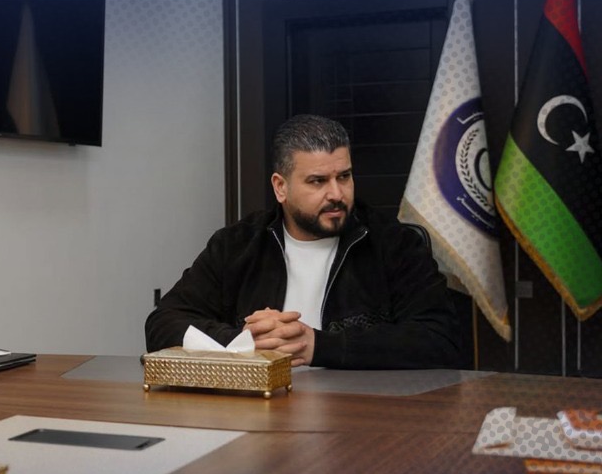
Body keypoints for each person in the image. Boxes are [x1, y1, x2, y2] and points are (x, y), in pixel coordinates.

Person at [145, 114, 461, 369]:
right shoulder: (237, 245)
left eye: (344, 176)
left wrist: (318, 346)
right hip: (258, 411)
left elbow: (441, 339)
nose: (336, 193)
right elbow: (163, 324)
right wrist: (245, 341)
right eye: (318, 181)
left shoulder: (395, 244)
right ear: (280, 187)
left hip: (360, 410)